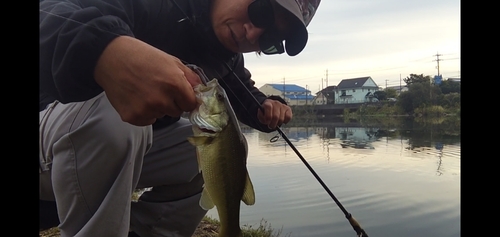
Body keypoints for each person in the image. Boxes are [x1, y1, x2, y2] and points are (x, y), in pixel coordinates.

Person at [39, 0, 321, 236]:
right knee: (116, 117)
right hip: (50, 142)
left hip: (98, 162)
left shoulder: (226, 58)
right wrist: (105, 47)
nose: (252, 33)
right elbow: (49, 10)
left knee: (224, 146)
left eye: (270, 40)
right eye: (261, 11)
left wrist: (268, 104)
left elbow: (245, 96)